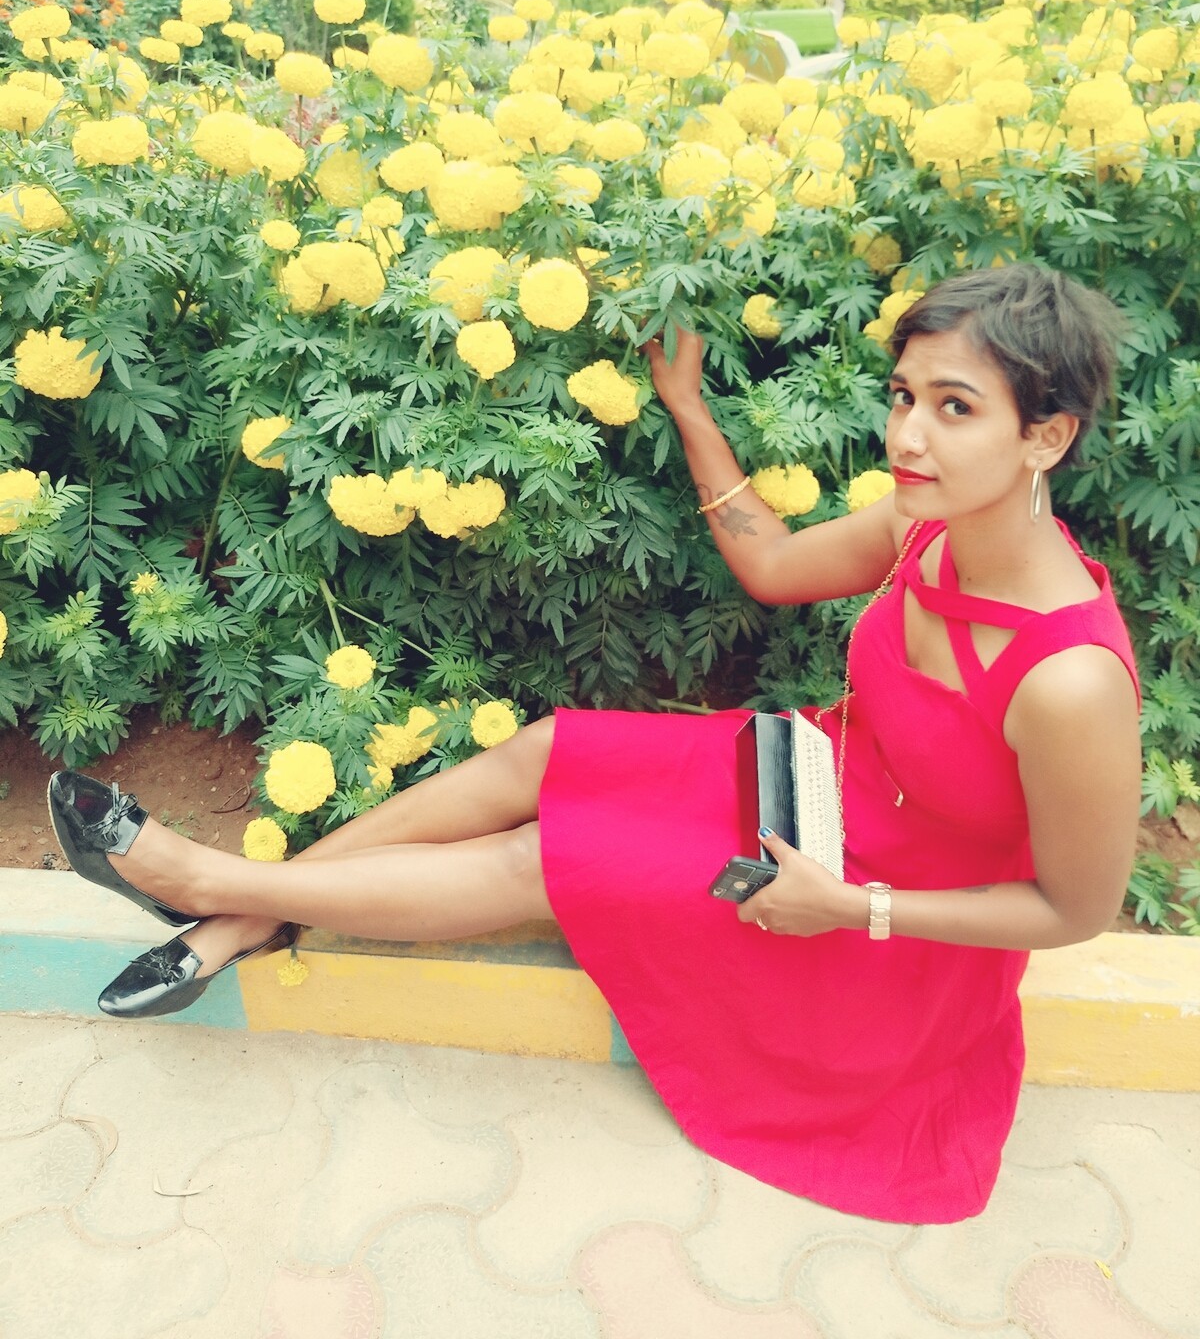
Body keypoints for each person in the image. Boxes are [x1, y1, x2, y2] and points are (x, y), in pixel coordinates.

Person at [47, 262, 1141, 1226]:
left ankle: (209, 889)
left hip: (884, 919)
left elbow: (1073, 909)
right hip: (815, 788)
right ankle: (244, 920)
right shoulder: (922, 525)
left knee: (547, 857)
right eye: (903, 395)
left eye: (955, 408)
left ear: (1045, 437)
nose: (907, 435)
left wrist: (851, 908)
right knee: (548, 750)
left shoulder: (1071, 679)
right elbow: (771, 564)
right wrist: (687, 406)